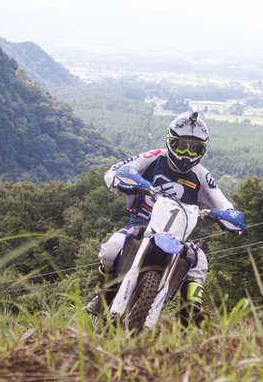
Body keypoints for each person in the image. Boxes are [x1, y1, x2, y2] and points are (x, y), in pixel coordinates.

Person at [84, 110, 244, 326]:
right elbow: (116, 171)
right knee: (111, 248)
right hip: (142, 224)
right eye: (181, 145)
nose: (187, 153)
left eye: (194, 147)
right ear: (171, 142)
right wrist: (130, 182)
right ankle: (105, 295)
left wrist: (224, 215)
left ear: (202, 149)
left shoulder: (201, 175)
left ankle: (189, 316)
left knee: (200, 261)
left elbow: (224, 204)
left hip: (178, 234)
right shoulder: (154, 158)